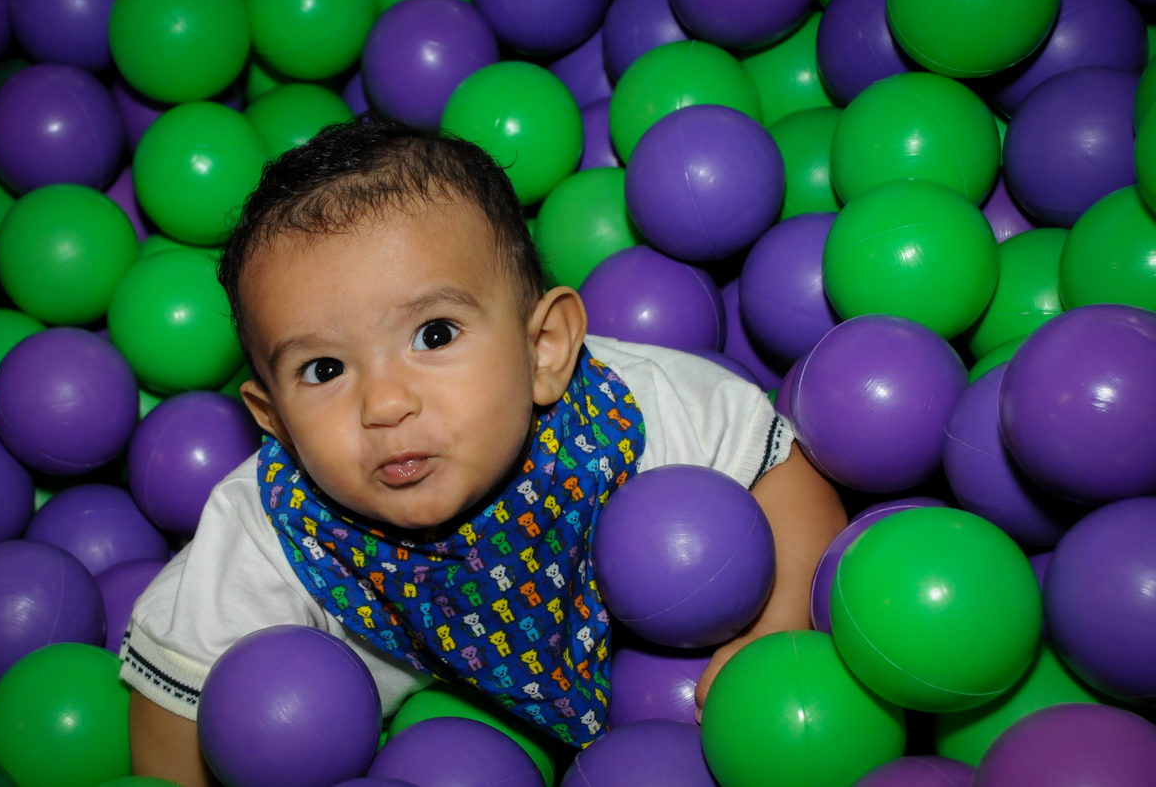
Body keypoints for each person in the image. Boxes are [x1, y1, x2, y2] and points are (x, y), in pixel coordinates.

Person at [125, 116, 847, 785]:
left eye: (434, 334)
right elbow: (179, 689)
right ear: (274, 419)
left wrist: (777, 628)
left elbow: (780, 472)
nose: (384, 404)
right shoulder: (273, 525)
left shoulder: (624, 410)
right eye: (324, 370)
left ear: (544, 348)